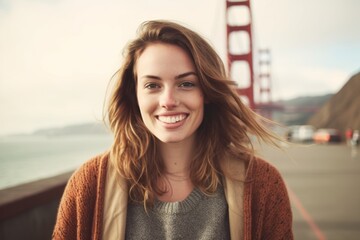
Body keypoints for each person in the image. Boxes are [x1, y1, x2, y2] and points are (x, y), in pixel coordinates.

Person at [53, 20, 293, 239]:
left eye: (186, 84)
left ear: (207, 93)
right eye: (152, 85)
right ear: (133, 95)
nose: (168, 100)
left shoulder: (262, 184)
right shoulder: (90, 185)